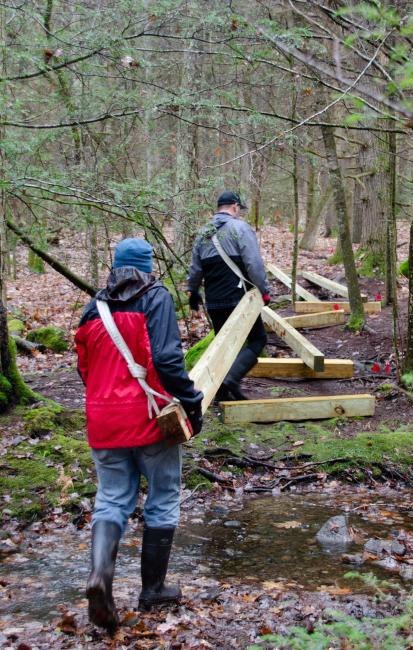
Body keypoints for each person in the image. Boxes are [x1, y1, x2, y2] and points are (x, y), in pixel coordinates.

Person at [75, 238, 203, 634]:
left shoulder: (92, 307)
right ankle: (153, 589)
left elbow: (83, 367)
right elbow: (166, 359)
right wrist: (192, 402)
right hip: (150, 418)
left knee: (111, 499)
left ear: (115, 266)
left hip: (103, 421)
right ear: (147, 267)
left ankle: (100, 577)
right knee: (163, 496)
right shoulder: (156, 297)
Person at [187, 191, 271, 401]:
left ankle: (221, 393)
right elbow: (253, 263)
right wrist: (263, 290)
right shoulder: (240, 228)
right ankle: (231, 379)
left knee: (225, 346)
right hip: (238, 298)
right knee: (257, 339)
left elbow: (195, 268)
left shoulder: (203, 233)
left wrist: (193, 291)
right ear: (234, 206)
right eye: (238, 209)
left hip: (214, 300)